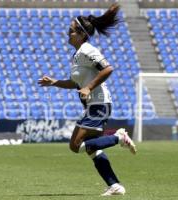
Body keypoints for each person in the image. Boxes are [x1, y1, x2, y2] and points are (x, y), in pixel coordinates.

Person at [38, 3, 137, 196]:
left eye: (71, 31)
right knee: (91, 149)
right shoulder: (77, 55)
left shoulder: (87, 50)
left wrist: (89, 87)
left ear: (82, 34)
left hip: (99, 104)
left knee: (75, 145)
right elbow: (76, 83)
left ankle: (119, 137)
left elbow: (108, 68)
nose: (68, 34)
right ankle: (114, 185)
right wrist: (54, 82)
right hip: (94, 105)